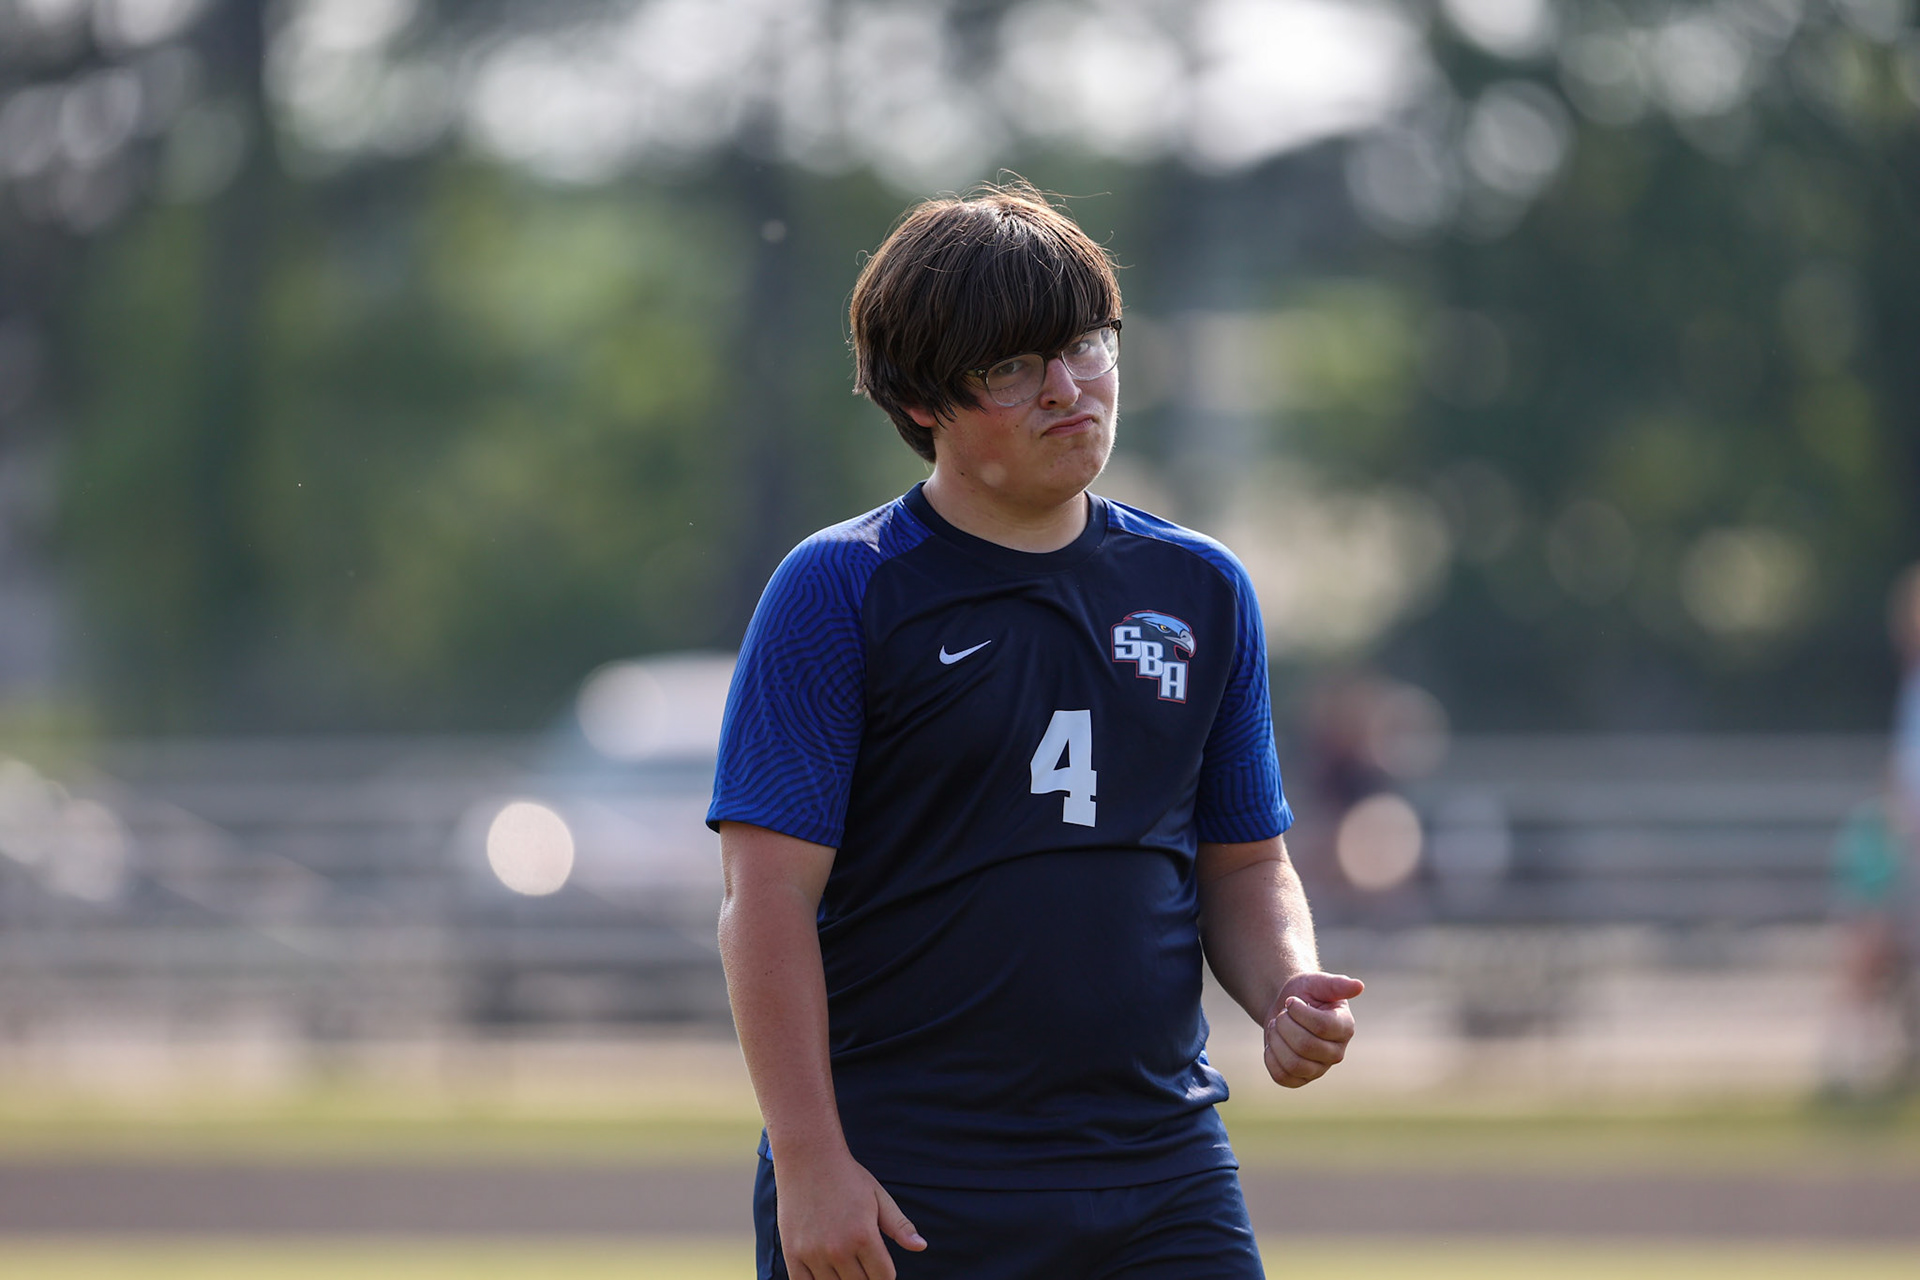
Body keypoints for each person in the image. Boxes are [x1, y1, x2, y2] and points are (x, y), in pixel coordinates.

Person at [709, 182, 1362, 1280]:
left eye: (1085, 345)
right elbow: (764, 902)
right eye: (1010, 367)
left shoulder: (1201, 587)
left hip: (1161, 1169)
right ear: (922, 400)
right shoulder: (843, 589)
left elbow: (1246, 861)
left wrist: (1286, 985)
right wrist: (814, 1160)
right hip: (910, 1176)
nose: (1068, 388)